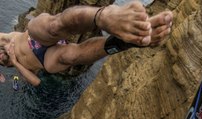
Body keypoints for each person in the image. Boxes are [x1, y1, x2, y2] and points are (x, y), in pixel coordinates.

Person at [0, 1, 173, 86]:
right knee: (72, 56)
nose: (1, 57)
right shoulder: (15, 65)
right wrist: (15, 61)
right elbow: (36, 82)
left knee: (53, 27)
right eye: (1, 60)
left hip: (34, 37)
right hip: (45, 58)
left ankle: (103, 16)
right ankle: (124, 43)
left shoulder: (7, 38)